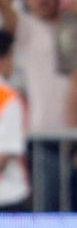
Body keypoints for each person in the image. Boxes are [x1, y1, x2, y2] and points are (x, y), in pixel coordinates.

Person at [0, 29, 29, 212]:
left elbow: (5, 152)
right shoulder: (8, 98)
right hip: (8, 197)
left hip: (7, 197)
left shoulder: (7, 97)